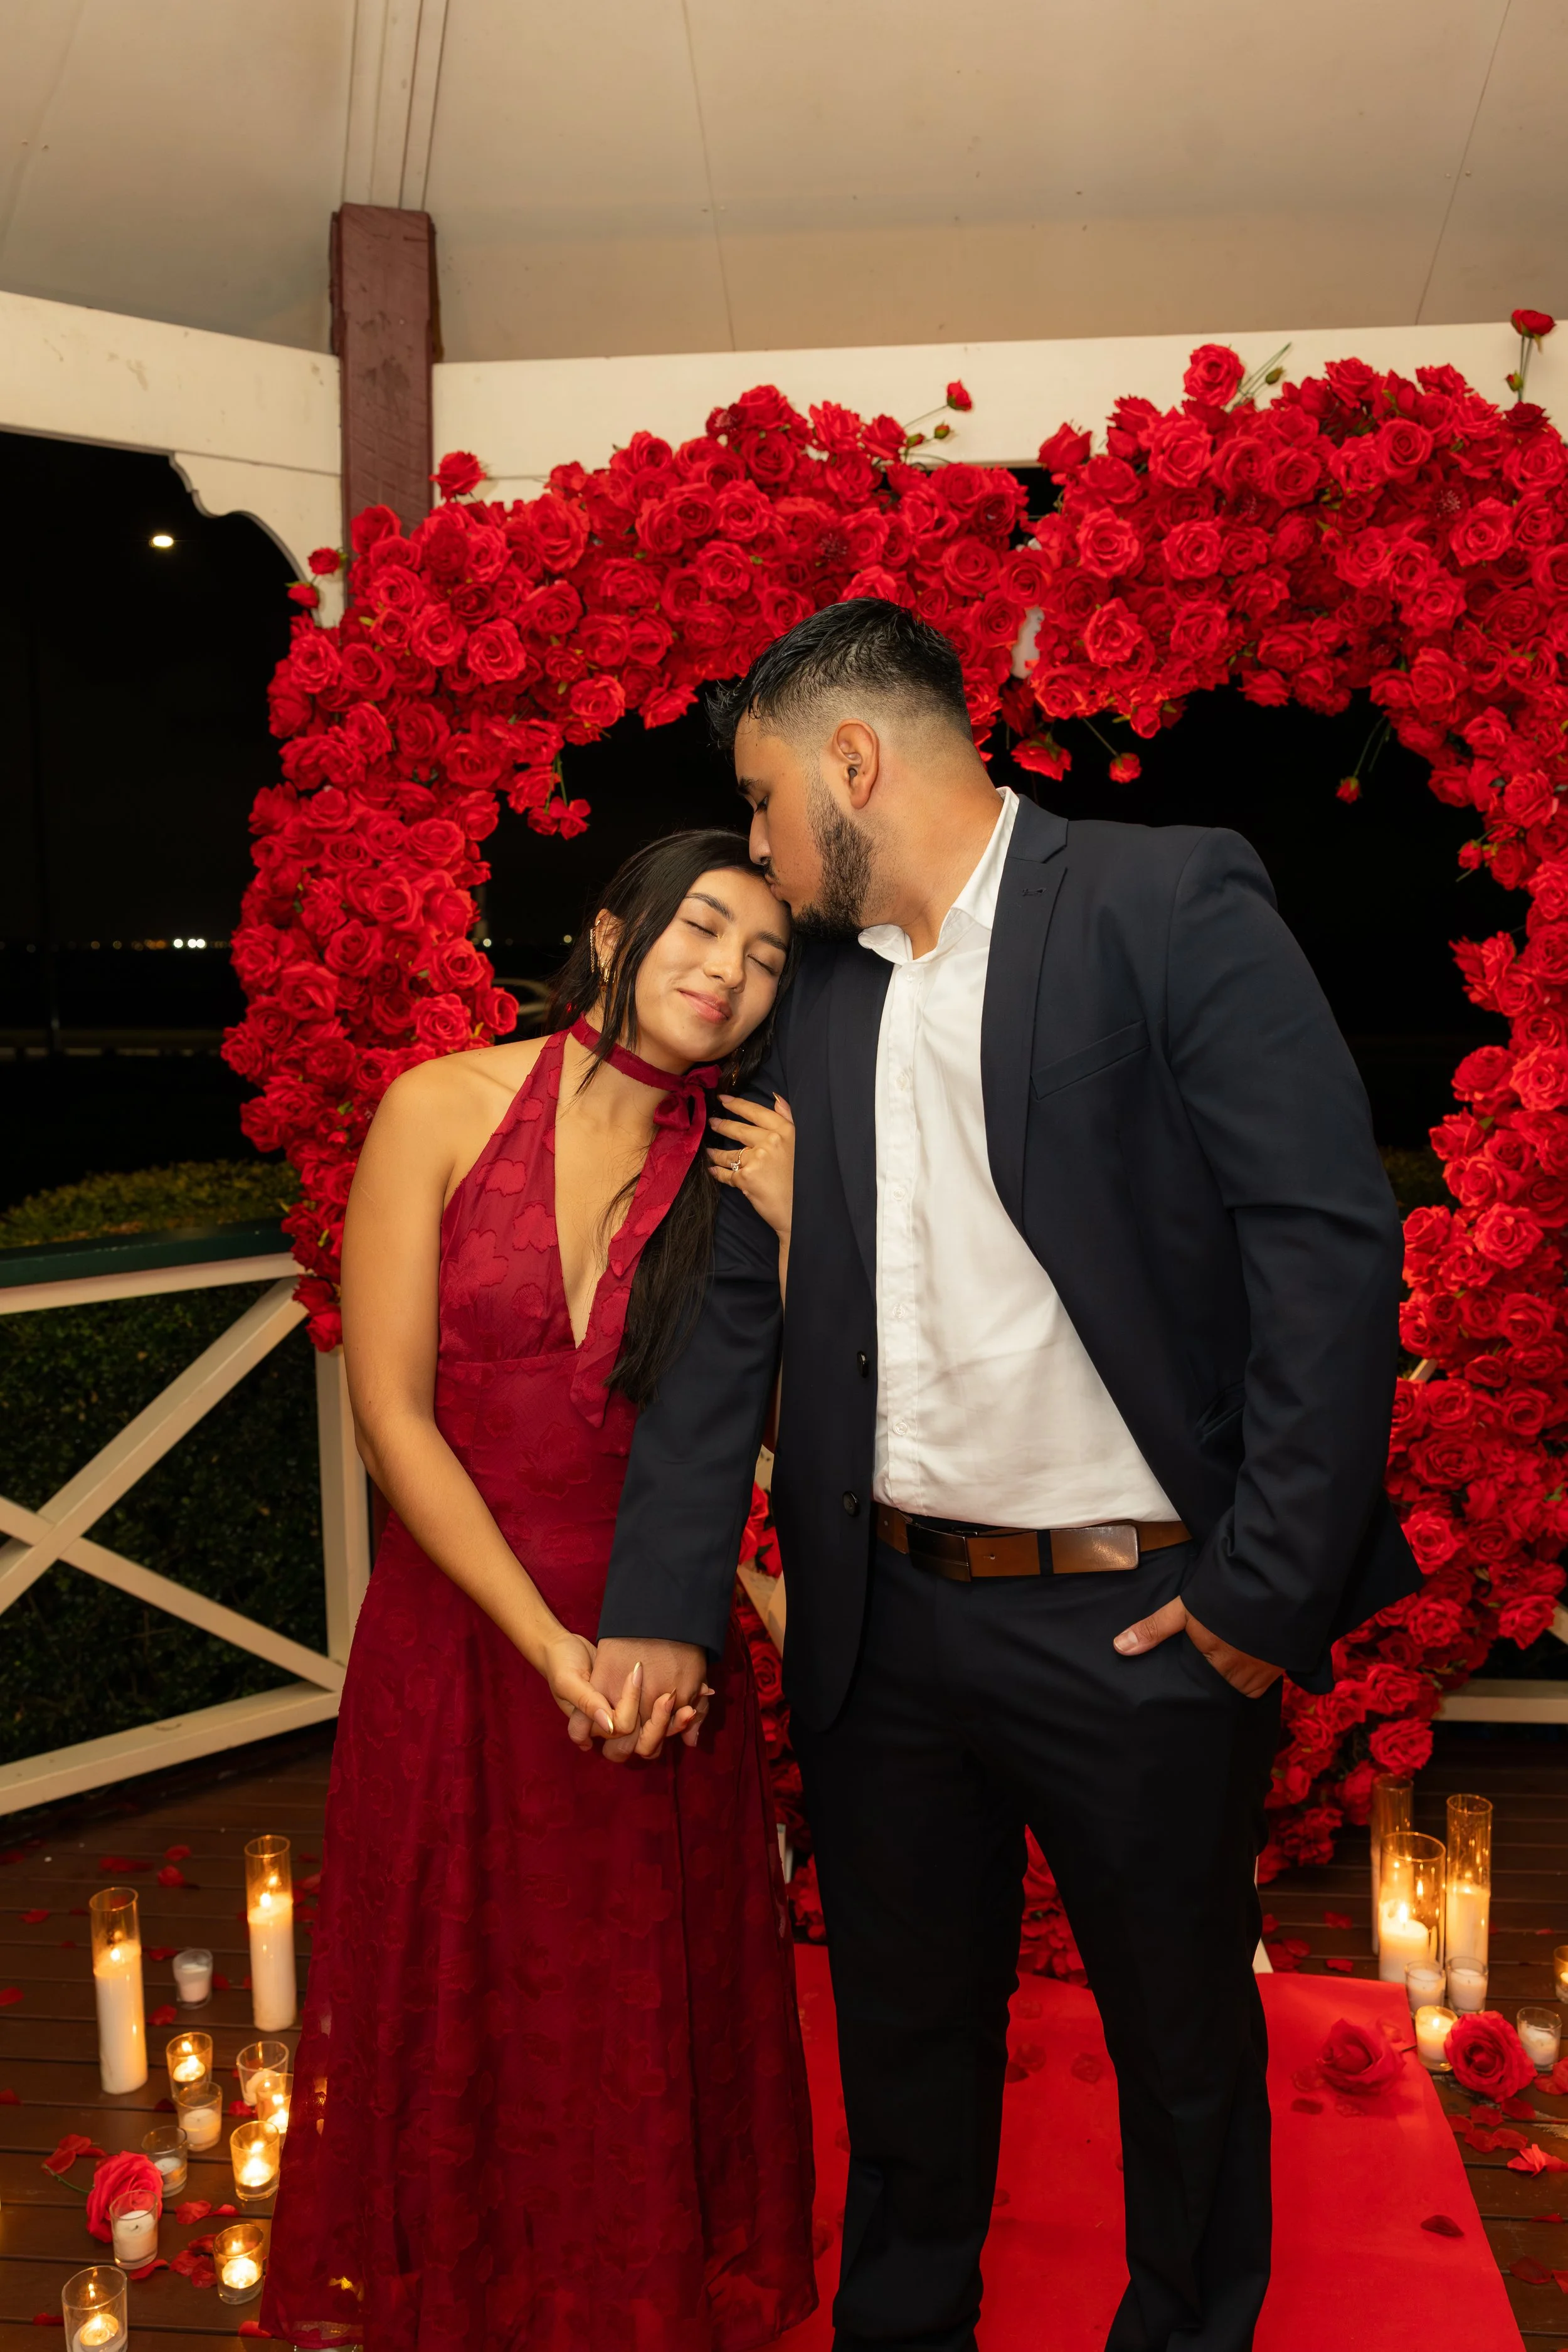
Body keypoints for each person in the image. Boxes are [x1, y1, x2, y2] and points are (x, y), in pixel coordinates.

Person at [589, 601, 1421, 2352]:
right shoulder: (812, 991)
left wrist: (1257, 1592)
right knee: (899, 2047)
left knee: (1181, 2052)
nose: (753, 850)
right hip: (879, 1628)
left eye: (760, 803)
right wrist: (664, 1598)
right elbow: (739, 1308)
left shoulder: (1160, 899)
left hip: (1137, 1618)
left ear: (853, 764)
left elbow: (1324, 1251)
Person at [260, 831, 817, 2352]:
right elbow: (390, 1414)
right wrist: (541, 1644)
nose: (727, 969)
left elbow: (783, 1432)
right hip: (463, 1636)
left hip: (655, 1653)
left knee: (640, 2001)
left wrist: (804, 1226)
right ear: (613, 928)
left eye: (767, 957)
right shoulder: (438, 1104)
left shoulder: (742, 1159)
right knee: (459, 1994)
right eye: (703, 927)